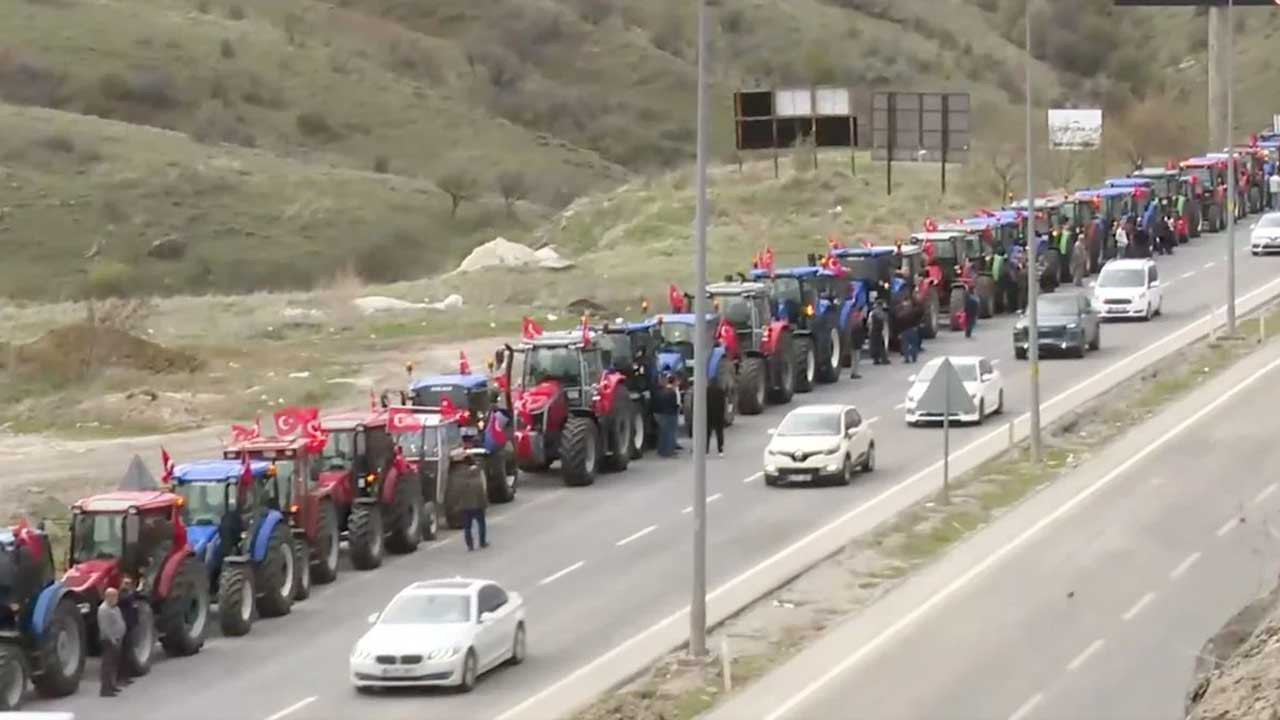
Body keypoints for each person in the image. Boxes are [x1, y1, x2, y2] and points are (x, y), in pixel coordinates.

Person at [455, 454, 489, 550]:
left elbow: (457, 491)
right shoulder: (478, 473)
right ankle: (482, 542)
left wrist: (458, 504)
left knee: (467, 527)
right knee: (481, 524)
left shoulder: (460, 476)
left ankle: (470, 545)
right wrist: (485, 504)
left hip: (465, 506)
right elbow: (483, 490)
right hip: (478, 505)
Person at [97, 588, 126, 697]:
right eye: (114, 596)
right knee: (107, 666)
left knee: (114, 665)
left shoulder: (115, 608)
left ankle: (112, 685)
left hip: (118, 639)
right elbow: (105, 628)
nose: (116, 599)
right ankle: (105, 689)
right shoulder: (104, 609)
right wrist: (113, 640)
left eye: (116, 596)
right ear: (108, 597)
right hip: (109, 641)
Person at [116, 577, 138, 687]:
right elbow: (125, 600)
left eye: (129, 583)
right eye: (126, 583)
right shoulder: (121, 594)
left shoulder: (130, 594)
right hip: (124, 626)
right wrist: (131, 593)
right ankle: (120, 678)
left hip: (130, 625)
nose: (128, 585)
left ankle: (126, 676)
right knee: (122, 654)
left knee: (128, 653)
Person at [653, 374, 680, 457]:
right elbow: (675, 404)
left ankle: (662, 451)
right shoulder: (672, 392)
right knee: (670, 433)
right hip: (671, 414)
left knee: (663, 433)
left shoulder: (661, 392)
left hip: (663, 413)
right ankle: (669, 452)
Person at [705, 380, 726, 457]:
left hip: (708, 414)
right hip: (718, 415)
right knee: (719, 433)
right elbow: (723, 404)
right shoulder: (721, 391)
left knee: (707, 433)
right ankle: (720, 450)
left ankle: (706, 450)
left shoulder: (706, 391)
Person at [868, 301, 889, 365]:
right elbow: (885, 321)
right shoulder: (883, 313)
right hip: (880, 330)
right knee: (881, 346)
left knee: (874, 345)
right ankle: (884, 359)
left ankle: (876, 359)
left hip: (873, 331)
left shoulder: (872, 313)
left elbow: (869, 322)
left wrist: (869, 330)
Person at [848, 307, 865, 379]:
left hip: (852, 340)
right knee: (856, 358)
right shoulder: (859, 319)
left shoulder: (853, 318)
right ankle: (855, 373)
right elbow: (860, 330)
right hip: (857, 341)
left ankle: (853, 372)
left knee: (853, 358)